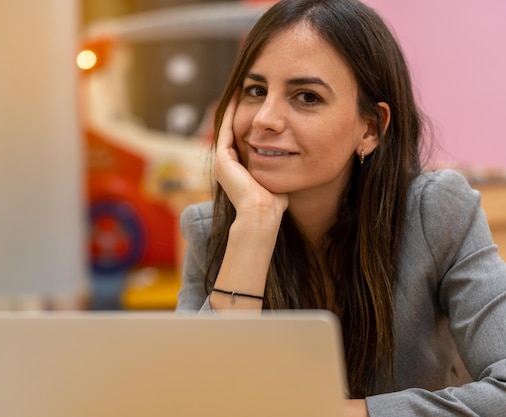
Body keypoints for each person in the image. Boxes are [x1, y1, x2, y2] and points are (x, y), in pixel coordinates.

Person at [175, 0, 506, 415]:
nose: (265, 118)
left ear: (370, 129)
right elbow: (192, 402)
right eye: (255, 90)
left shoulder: (437, 212)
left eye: (306, 97)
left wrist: (343, 412)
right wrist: (255, 227)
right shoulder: (216, 232)